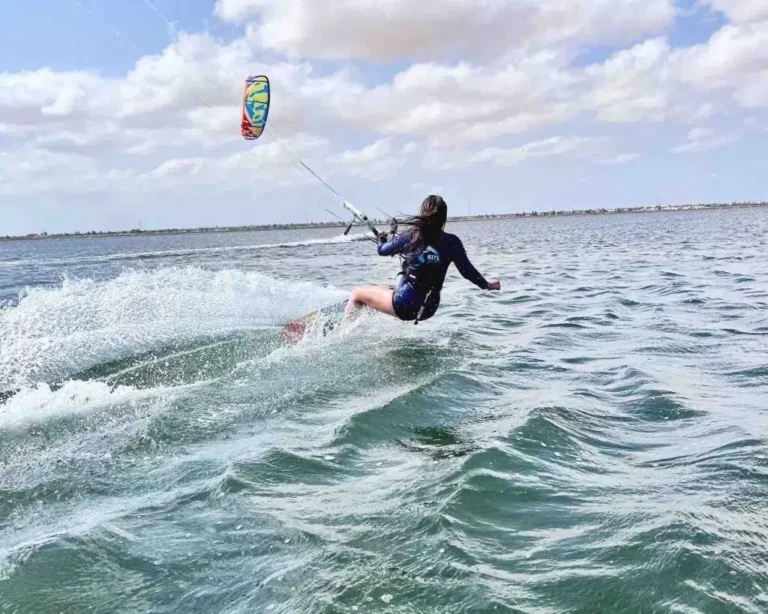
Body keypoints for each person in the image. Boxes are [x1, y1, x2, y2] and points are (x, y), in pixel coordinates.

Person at [344, 195, 500, 323]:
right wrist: (486, 284)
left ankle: (342, 328)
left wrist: (382, 238)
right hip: (428, 309)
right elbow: (468, 271)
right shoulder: (452, 242)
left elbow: (382, 251)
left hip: (405, 304)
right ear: (443, 219)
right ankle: (367, 311)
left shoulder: (410, 236)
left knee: (357, 293)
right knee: (386, 288)